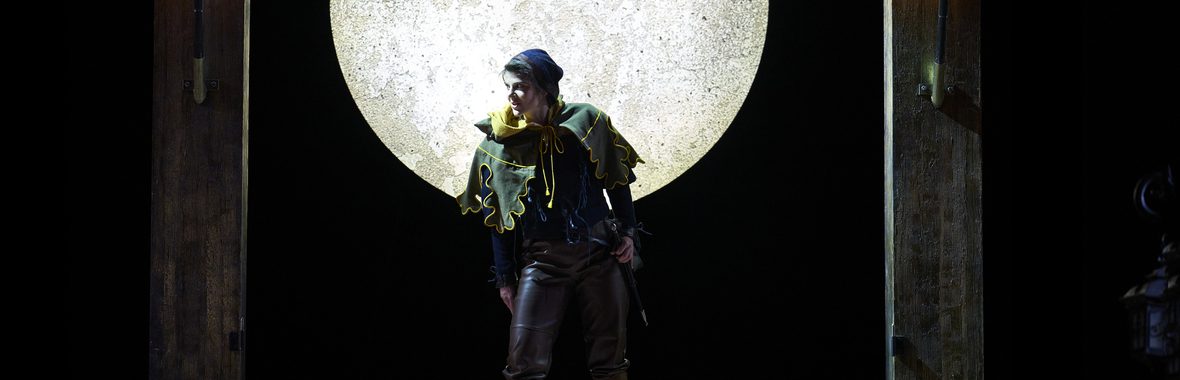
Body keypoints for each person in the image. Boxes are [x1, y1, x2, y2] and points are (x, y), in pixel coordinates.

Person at [457, 49, 645, 380]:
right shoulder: (500, 140)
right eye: (509, 87)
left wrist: (629, 233)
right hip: (543, 260)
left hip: (600, 252)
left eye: (521, 86)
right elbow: (499, 219)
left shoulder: (585, 121)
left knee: (610, 362)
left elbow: (616, 181)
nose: (512, 95)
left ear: (544, 89)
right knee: (523, 364)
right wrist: (505, 278)